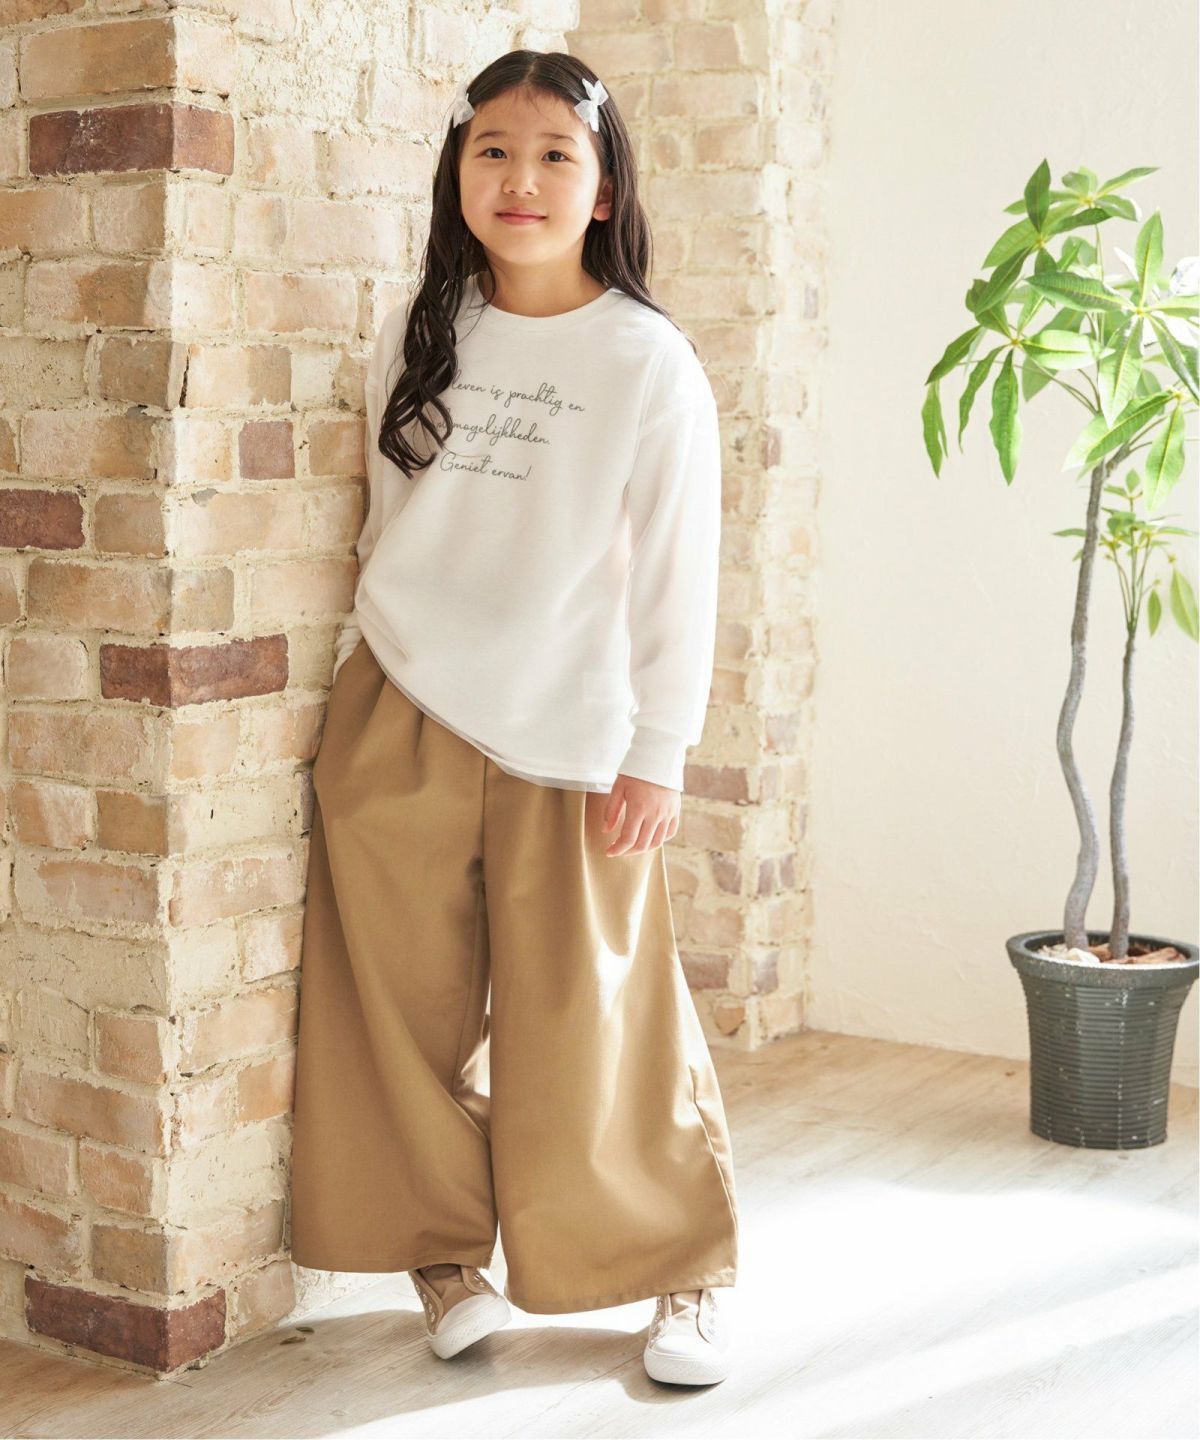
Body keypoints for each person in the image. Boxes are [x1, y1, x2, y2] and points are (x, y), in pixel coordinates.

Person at [289, 48, 739, 1388]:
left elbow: (678, 574)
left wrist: (659, 750)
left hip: (573, 730)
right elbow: (386, 518)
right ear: (458, 174)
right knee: (395, 1013)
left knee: (601, 1020)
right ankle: (442, 1260)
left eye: (555, 154)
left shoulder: (648, 361)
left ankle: (681, 1271)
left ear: (603, 190)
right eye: (493, 149)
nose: (521, 178)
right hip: (404, 704)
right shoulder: (422, 328)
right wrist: (365, 678)